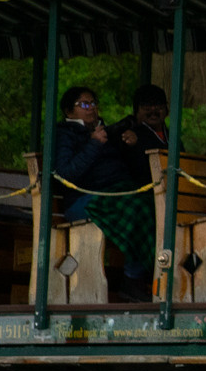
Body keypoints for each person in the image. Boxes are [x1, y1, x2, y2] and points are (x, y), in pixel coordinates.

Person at [53, 85, 155, 300]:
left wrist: (131, 144)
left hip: (117, 192)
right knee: (135, 207)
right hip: (84, 200)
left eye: (93, 103)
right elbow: (65, 174)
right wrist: (94, 144)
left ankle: (151, 276)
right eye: (84, 104)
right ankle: (132, 279)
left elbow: (127, 167)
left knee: (153, 203)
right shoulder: (65, 133)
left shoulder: (103, 130)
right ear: (69, 111)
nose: (92, 108)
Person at [108, 85, 170, 183]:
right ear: (136, 111)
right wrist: (135, 145)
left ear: (167, 110)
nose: (153, 110)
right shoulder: (130, 134)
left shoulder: (172, 137)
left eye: (158, 105)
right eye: (147, 107)